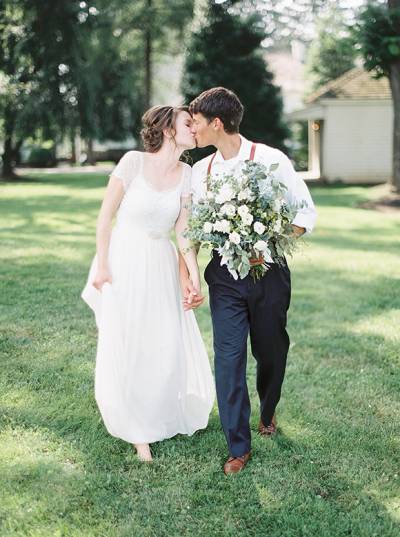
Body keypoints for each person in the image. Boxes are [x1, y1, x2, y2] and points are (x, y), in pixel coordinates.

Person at [179, 87, 317, 475]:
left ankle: (268, 409)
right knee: (229, 359)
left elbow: (305, 211)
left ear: (217, 123)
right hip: (224, 277)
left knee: (271, 352)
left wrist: (270, 236)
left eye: (198, 122)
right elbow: (192, 226)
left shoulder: (270, 159)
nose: (193, 128)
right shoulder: (200, 172)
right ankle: (238, 446)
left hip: (269, 272)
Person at [81, 105, 214, 462]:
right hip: (123, 261)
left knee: (164, 340)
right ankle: (137, 430)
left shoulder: (187, 173)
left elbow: (183, 229)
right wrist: (103, 266)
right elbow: (105, 219)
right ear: (169, 129)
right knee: (130, 339)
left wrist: (193, 273)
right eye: (188, 123)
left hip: (160, 262)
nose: (194, 128)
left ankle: (157, 412)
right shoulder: (132, 163)